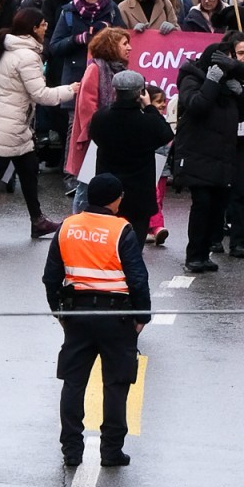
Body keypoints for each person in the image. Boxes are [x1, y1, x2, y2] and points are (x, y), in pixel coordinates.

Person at [41, 169, 152, 469]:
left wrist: (60, 313)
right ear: (116, 201)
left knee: (73, 383)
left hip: (77, 315)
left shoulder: (68, 227)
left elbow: (51, 278)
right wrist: (142, 317)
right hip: (116, 317)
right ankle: (111, 451)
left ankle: (71, 450)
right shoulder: (122, 230)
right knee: (116, 384)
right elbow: (138, 279)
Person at [0, 3, 76, 238]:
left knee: (30, 170)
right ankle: (38, 221)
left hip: (11, 122)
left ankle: (38, 221)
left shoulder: (13, 48)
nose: (47, 29)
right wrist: (72, 89)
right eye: (44, 25)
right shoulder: (26, 56)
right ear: (34, 28)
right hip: (9, 125)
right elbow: (41, 95)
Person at [172, 36, 244, 273]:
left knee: (217, 207)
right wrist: (211, 81)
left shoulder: (228, 84)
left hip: (223, 155)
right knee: (202, 205)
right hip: (198, 154)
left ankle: (206, 253)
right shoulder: (192, 78)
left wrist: (240, 92)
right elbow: (197, 105)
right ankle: (194, 255)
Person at [86, 68, 172, 247]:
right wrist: (149, 107)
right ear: (141, 93)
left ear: (115, 91)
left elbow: (93, 135)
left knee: (108, 244)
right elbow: (165, 134)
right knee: (134, 245)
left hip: (108, 190)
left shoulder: (101, 117)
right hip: (139, 193)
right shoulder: (147, 122)